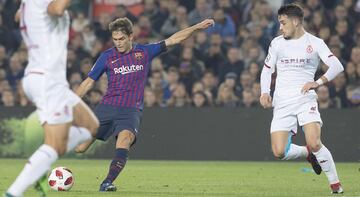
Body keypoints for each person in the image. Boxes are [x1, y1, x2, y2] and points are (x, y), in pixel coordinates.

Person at [75, 17, 214, 191]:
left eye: (121, 39)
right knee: (80, 148)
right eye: (115, 39)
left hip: (130, 110)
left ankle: (107, 182)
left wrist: (197, 27)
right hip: (107, 107)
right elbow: (88, 82)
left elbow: (175, 39)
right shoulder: (107, 57)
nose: (118, 43)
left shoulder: (144, 52)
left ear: (131, 36)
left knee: (124, 140)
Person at [4, 0, 99, 197]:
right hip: (47, 80)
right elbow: (55, 9)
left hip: (45, 79)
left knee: (90, 126)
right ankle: (14, 192)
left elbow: (18, 17)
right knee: (55, 145)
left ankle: (42, 163)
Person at [259, 4, 344, 194]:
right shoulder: (277, 43)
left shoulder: (315, 42)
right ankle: (308, 153)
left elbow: (337, 66)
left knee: (315, 142)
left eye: (283, 23)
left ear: (296, 21)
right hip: (282, 102)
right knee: (279, 152)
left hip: (305, 99)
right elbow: (267, 69)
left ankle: (336, 185)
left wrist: (318, 82)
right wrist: (265, 92)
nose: (280, 27)